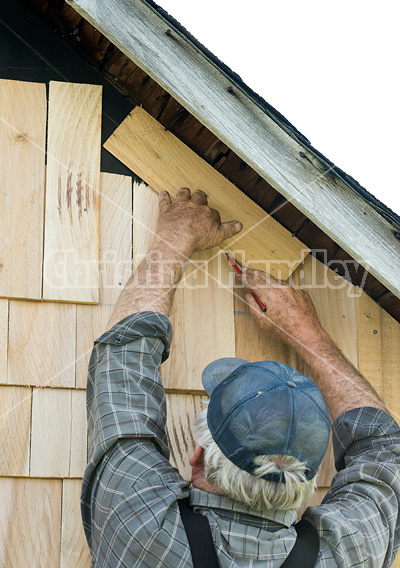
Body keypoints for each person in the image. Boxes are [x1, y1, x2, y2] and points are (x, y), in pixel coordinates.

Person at [81, 187, 400, 567]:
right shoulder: (349, 553)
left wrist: (176, 237)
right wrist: (307, 331)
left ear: (197, 460)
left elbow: (122, 361)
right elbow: (383, 450)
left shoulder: (140, 527)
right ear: (308, 486)